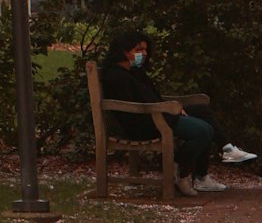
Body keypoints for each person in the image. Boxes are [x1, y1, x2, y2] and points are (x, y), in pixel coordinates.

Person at [99, 31, 257, 195]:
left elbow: (152, 97)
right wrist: (170, 110)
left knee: (201, 111)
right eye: (138, 50)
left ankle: (223, 153)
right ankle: (181, 172)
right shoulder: (116, 76)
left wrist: (172, 108)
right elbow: (133, 109)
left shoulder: (135, 71)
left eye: (145, 49)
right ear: (124, 51)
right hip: (144, 123)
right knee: (203, 131)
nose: (144, 54)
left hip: (157, 113)